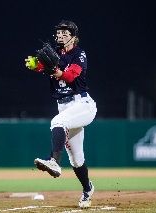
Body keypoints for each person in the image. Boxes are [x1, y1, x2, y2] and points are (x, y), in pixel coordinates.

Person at [25, 20, 97, 208]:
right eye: (59, 32)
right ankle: (87, 189)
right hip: (64, 106)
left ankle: (54, 162)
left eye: (65, 32)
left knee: (57, 122)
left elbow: (71, 76)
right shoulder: (56, 54)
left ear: (74, 36)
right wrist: (34, 65)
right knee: (76, 159)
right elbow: (41, 66)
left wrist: (54, 70)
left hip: (82, 104)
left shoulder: (79, 54)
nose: (61, 35)